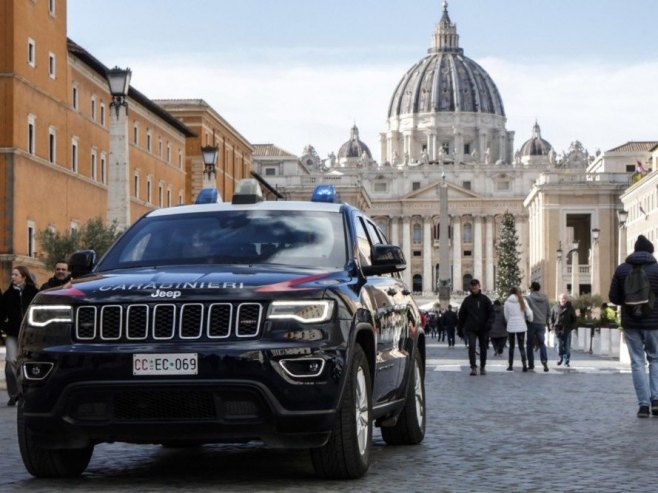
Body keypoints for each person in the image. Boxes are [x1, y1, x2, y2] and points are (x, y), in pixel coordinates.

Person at [608, 234, 658, 418]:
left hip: (630, 323)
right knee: (655, 359)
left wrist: (629, 302)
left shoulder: (622, 269)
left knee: (637, 363)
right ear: (651, 251)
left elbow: (613, 297)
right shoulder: (656, 269)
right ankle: (656, 400)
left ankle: (643, 405)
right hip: (654, 323)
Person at [1, 266, 39, 406]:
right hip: (12, 333)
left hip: (30, 333)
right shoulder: (8, 295)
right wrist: (4, 326)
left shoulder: (34, 293)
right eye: (12, 274)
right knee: (11, 361)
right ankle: (14, 393)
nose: (12, 277)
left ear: (24, 276)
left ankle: (26, 391)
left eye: (16, 274)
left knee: (26, 362)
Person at [457, 279, 494, 375]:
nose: (474, 287)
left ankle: (482, 366)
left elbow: (491, 313)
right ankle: (473, 367)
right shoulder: (467, 300)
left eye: (475, 285)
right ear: (471, 287)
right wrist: (460, 328)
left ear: (479, 286)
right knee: (472, 347)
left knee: (483, 348)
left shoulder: (485, 299)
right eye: (472, 286)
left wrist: (489, 323)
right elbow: (462, 315)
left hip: (483, 327)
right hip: (471, 327)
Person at [504, 287, 533, 372]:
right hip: (521, 325)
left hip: (511, 326)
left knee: (511, 347)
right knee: (521, 347)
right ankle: (524, 365)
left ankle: (510, 365)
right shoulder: (522, 301)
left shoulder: (507, 302)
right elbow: (529, 313)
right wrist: (530, 320)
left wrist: (509, 321)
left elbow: (506, 315)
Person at [525, 281, 551, 372]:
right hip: (541, 323)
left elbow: (526, 312)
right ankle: (544, 361)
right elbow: (548, 312)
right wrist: (546, 321)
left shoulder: (528, 298)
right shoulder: (545, 298)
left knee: (529, 344)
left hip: (531, 323)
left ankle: (531, 364)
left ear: (532, 288)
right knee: (542, 343)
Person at [549, 292, 577, 367]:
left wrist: (572, 327)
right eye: (562, 298)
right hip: (557, 329)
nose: (563, 300)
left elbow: (574, 319)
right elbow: (551, 318)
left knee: (567, 346)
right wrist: (551, 326)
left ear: (567, 299)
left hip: (567, 329)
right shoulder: (555, 307)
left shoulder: (570, 308)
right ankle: (561, 357)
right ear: (559, 299)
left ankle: (566, 361)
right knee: (559, 346)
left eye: (565, 298)